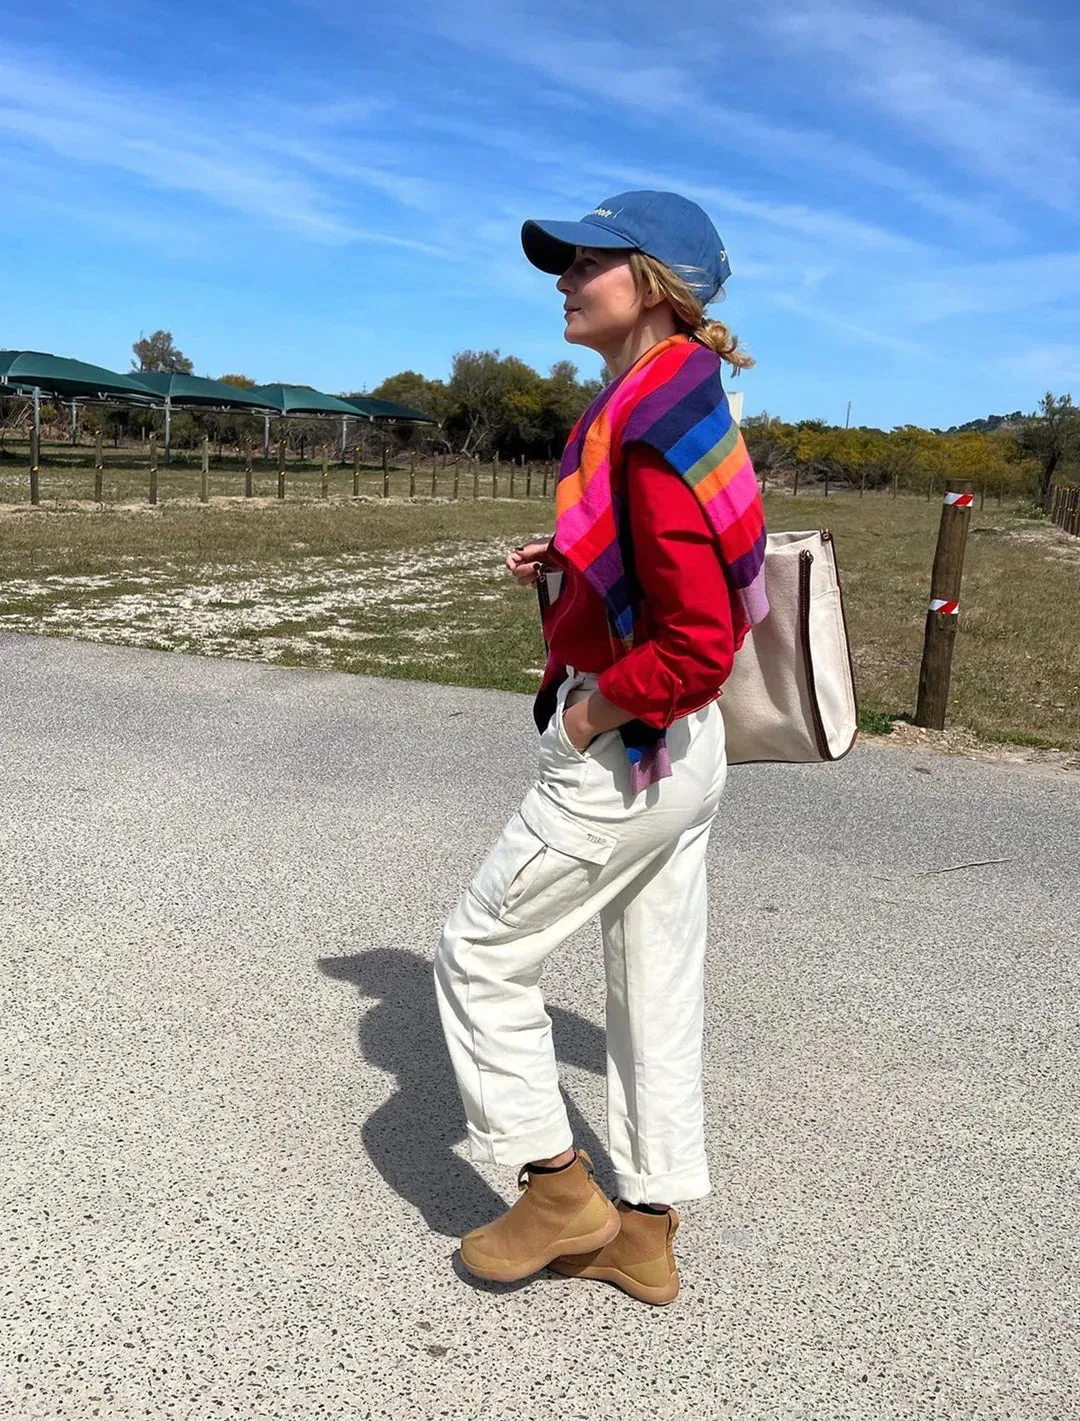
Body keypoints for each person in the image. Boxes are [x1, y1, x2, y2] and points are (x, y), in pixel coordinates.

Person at [433, 191, 768, 1306]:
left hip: (635, 746)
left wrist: (589, 715)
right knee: (653, 982)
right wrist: (574, 565)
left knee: (478, 951)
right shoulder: (675, 401)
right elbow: (671, 570)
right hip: (684, 754)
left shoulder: (651, 425)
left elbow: (699, 641)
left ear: (655, 283)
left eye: (590, 261)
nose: (566, 278)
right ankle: (648, 1228)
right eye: (562, 262)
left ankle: (559, 1189)